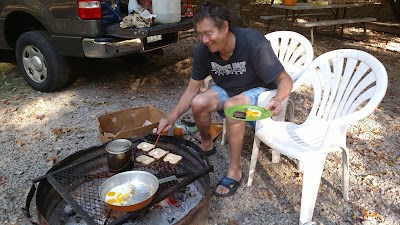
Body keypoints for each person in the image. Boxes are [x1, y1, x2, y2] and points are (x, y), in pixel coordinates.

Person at [157, 1, 293, 197]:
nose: (204, 40)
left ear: (225, 27)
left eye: (208, 33)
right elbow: (192, 90)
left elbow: (285, 80)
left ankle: (235, 171)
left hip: (258, 89)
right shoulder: (203, 51)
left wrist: (279, 99)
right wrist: (171, 118)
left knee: (232, 106)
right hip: (228, 88)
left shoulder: (252, 43)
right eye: (200, 34)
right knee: (198, 102)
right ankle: (206, 145)